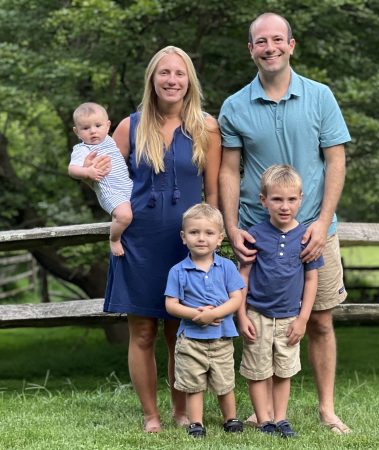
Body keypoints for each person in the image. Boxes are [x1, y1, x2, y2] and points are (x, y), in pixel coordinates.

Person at [218, 13, 352, 434]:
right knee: (256, 321)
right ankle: (265, 409)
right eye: (261, 41)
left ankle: (327, 409)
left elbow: (336, 160)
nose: (270, 47)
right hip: (257, 236)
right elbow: (227, 171)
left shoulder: (320, 96)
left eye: (278, 39)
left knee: (321, 320)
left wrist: (322, 220)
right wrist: (231, 226)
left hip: (314, 230)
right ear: (251, 50)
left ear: (292, 45)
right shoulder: (235, 106)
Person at [92, 46, 221, 433]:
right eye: (164, 73)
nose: (171, 80)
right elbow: (109, 183)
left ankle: (182, 412)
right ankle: (151, 416)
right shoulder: (129, 127)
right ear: (152, 78)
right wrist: (115, 215)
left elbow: (212, 193)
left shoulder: (207, 128)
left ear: (189, 81)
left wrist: (211, 243)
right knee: (144, 330)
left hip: (186, 243)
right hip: (139, 242)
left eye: (179, 74)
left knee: (177, 331)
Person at [238, 165, 323, 438]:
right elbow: (244, 276)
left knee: (283, 370)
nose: (284, 206)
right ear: (263, 201)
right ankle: (264, 421)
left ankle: (281, 418)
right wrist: (241, 315)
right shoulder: (255, 235)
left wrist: (303, 319)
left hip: (289, 317)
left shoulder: (307, 237)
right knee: (258, 369)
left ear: (301, 199)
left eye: (290, 199)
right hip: (257, 314)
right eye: (276, 199)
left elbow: (311, 280)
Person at [165, 203, 245, 438]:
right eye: (194, 232)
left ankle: (230, 418)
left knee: (224, 381)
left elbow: (237, 298)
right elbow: (171, 305)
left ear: (220, 238)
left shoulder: (227, 267)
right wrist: (196, 316)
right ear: (183, 237)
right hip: (190, 340)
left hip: (221, 338)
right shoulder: (178, 271)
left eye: (209, 233)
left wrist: (215, 314)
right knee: (193, 384)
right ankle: (196, 423)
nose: (201, 238)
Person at [69, 102, 133, 256]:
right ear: (76, 131)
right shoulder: (82, 149)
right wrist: (87, 172)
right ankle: (114, 239)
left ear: (108, 125)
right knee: (125, 216)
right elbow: (72, 169)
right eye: (85, 128)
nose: (93, 131)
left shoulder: (110, 141)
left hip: (128, 187)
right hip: (111, 191)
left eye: (98, 125)